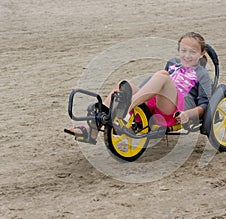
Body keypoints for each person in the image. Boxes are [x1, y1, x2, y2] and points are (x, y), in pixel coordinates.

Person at [66, 32, 212, 144]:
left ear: (202, 53)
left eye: (192, 52)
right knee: (123, 86)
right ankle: (92, 131)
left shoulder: (202, 73)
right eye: (183, 51)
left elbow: (205, 104)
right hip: (157, 102)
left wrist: (189, 114)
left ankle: (126, 107)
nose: (187, 56)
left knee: (162, 75)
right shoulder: (172, 64)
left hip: (176, 110)